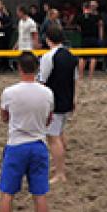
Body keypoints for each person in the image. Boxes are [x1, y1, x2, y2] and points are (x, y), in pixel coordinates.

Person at [0, 51, 53, 212]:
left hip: (16, 145)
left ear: (19, 68)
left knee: (7, 194)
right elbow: (48, 120)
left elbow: (4, 117)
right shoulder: (47, 93)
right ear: (36, 69)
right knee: (40, 195)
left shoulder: (9, 92)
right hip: (38, 145)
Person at [37, 24, 78, 184]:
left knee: (53, 138)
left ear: (48, 39)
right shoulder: (70, 55)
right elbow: (75, 79)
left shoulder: (48, 57)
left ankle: (60, 173)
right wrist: (74, 99)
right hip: (67, 99)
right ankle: (59, 165)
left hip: (54, 102)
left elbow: (42, 81)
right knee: (59, 134)